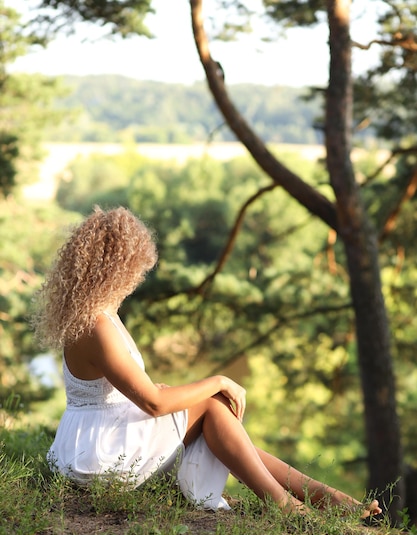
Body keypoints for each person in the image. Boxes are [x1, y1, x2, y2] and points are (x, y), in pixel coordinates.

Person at [32, 206, 381, 518]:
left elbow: (122, 392)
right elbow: (153, 403)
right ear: (115, 269)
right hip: (99, 454)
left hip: (94, 439)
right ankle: (290, 505)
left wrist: (168, 391)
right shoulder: (95, 324)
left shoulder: (99, 314)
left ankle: (318, 495)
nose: (136, 281)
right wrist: (219, 381)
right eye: (135, 271)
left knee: (219, 426)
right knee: (213, 407)